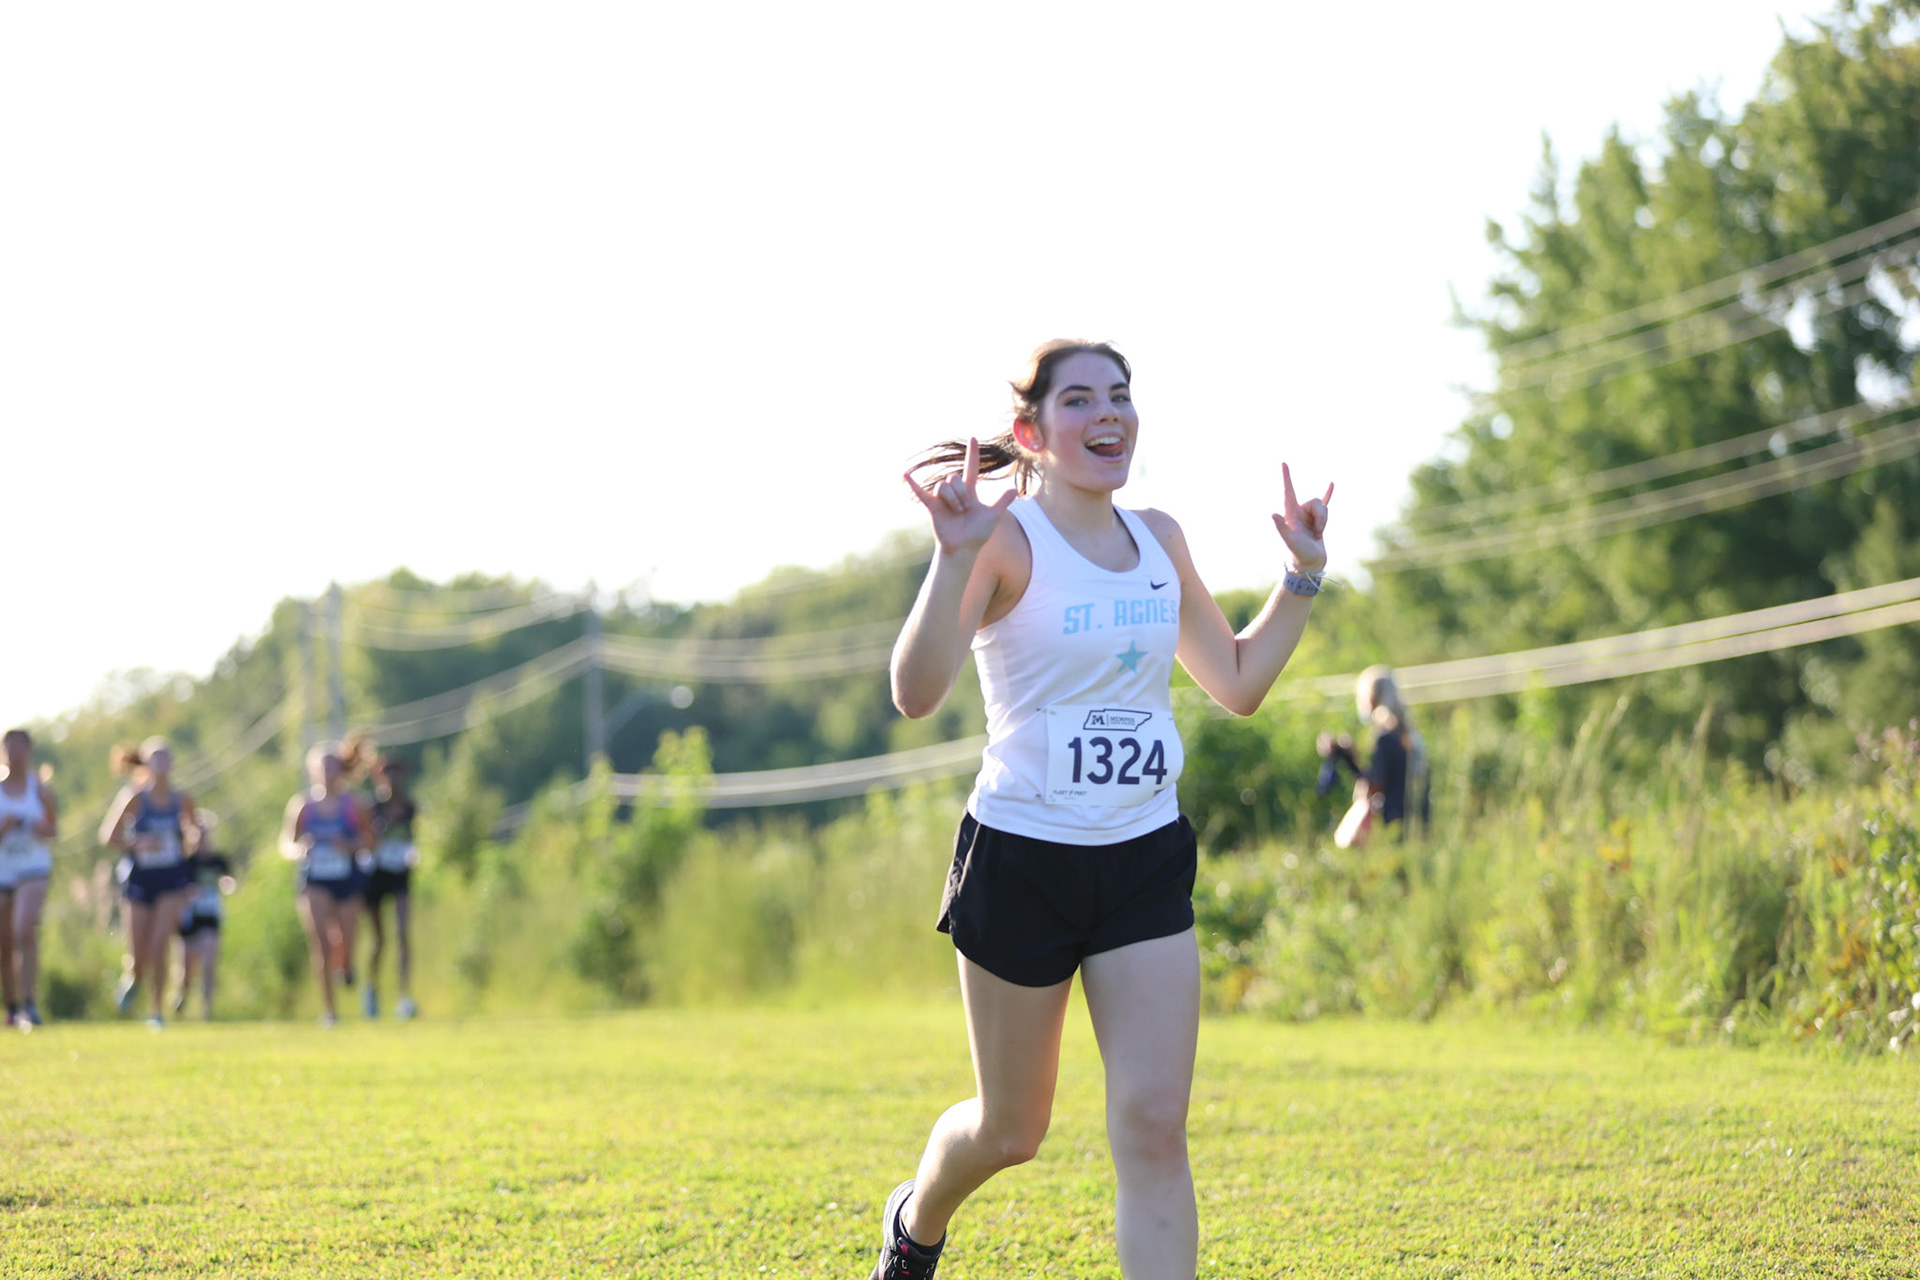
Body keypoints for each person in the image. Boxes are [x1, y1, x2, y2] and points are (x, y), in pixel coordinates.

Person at [874, 340, 1332, 1279]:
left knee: (1156, 1125)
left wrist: (1302, 577)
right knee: (1011, 1129)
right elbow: (915, 693)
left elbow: (1237, 681)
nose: (1108, 415)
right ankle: (916, 1220)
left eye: (1120, 396)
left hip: (1141, 857)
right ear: (1030, 433)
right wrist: (950, 561)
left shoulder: (1159, 539)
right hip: (1021, 859)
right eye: (1079, 400)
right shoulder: (1003, 540)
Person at [99, 738, 199, 1028]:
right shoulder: (134, 797)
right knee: (139, 954)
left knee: (159, 945)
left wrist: (188, 842)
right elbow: (109, 836)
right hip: (139, 879)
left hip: (171, 879)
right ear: (146, 763)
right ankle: (133, 976)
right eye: (155, 757)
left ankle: (156, 1011)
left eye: (166, 757)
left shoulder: (183, 799)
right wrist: (138, 843)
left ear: (173, 763)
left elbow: (192, 835)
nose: (162, 763)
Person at [280, 739, 370, 1027]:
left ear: (341, 769)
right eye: (322, 766)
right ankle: (330, 1011)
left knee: (347, 939)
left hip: (347, 878)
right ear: (312, 771)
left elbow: (371, 841)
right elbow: (285, 843)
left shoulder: (355, 804)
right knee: (320, 943)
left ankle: (347, 966)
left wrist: (351, 845)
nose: (328, 772)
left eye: (332, 765)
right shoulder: (302, 805)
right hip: (314, 880)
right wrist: (299, 851)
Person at [1315, 664, 1428, 845]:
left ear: (1372, 698)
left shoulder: (1385, 735)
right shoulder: (1406, 732)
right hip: (1418, 818)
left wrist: (1347, 759)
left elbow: (1375, 786)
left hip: (1395, 822)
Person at [0, 728, 59, 1030]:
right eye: (11, 747)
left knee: (24, 928)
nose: (16, 753)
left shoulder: (41, 790)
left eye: (22, 747)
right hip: (3, 871)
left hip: (34, 868)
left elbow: (54, 831)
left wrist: (40, 828)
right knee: (4, 941)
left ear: (30, 751)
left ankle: (29, 1004)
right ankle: (11, 1007)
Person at [361, 753, 419, 1020]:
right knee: (379, 939)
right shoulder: (372, 808)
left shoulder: (409, 807)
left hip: (400, 874)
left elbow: (413, 840)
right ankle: (371, 989)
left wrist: (413, 855)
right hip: (376, 874)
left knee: (403, 934)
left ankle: (404, 996)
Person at [172, 812, 236, 1021]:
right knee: (187, 970)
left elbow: (229, 880)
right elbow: (176, 890)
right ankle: (181, 996)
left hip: (210, 915)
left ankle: (207, 1010)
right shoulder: (185, 863)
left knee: (209, 962)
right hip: (189, 918)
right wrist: (189, 892)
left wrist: (227, 884)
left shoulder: (218, 861)